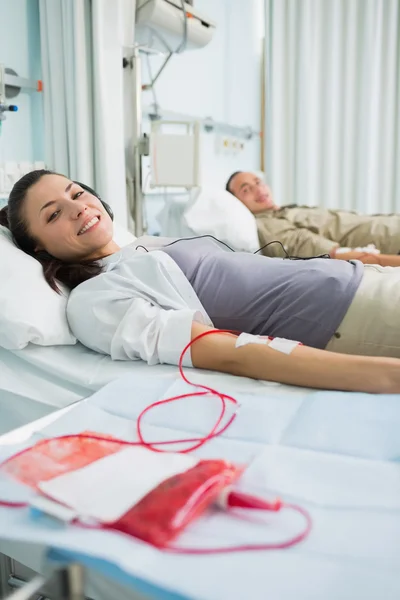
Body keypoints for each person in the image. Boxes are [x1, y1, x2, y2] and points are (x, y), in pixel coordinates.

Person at [2, 169, 400, 395]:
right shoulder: (94, 298)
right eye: (53, 215)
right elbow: (227, 352)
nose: (78, 208)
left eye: (77, 192)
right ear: (38, 249)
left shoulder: (142, 245)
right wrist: (384, 376)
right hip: (357, 316)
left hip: (367, 280)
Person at [226, 171, 400, 265]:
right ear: (236, 202)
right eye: (246, 190)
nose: (259, 190)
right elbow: (335, 255)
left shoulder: (285, 210)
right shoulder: (268, 225)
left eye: (258, 182)